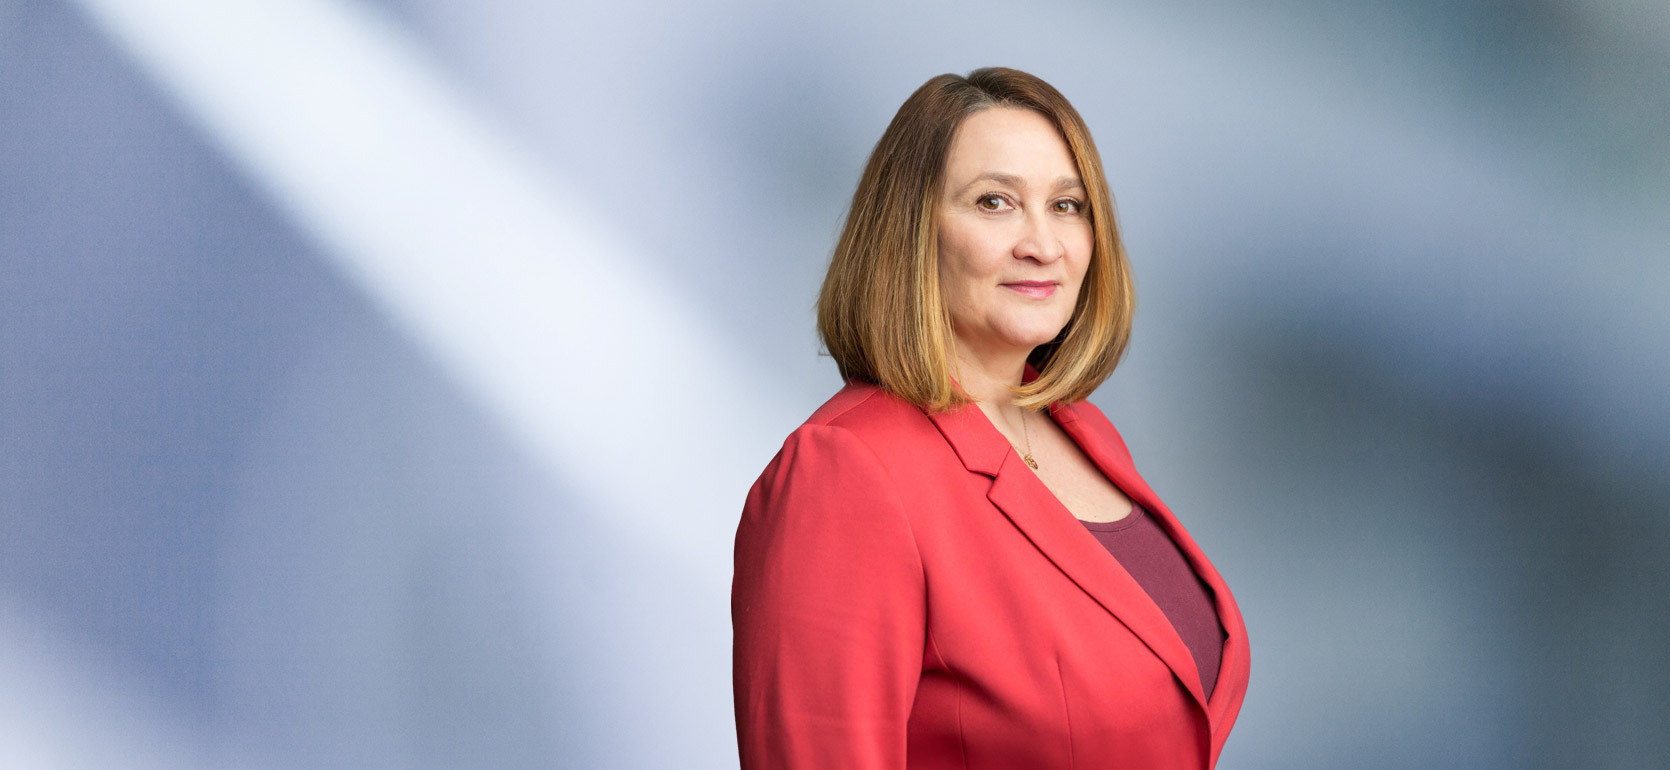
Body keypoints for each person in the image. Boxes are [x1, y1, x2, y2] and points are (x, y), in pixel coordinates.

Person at [731, 67, 1250, 770]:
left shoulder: (1084, 433)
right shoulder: (845, 472)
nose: (1043, 243)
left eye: (1068, 207)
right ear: (914, 231)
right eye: (995, 202)